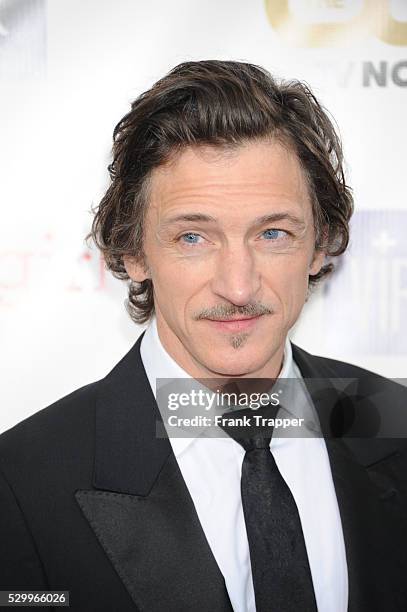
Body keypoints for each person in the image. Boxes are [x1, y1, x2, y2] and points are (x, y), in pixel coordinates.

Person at [0, 60, 406, 612]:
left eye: (273, 233)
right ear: (132, 251)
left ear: (320, 244)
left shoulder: (395, 421)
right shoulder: (21, 482)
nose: (238, 286)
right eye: (193, 236)